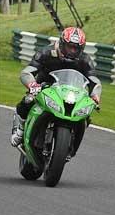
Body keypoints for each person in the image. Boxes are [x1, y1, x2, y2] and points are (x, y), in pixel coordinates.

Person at [10, 27, 102, 156]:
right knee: (28, 100)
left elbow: (94, 81)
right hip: (44, 87)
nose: (72, 51)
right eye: (70, 47)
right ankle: (19, 130)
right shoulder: (46, 52)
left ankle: (71, 144)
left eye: (76, 48)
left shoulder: (85, 60)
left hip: (71, 92)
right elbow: (27, 72)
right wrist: (33, 85)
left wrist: (95, 95)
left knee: (85, 115)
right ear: (62, 43)